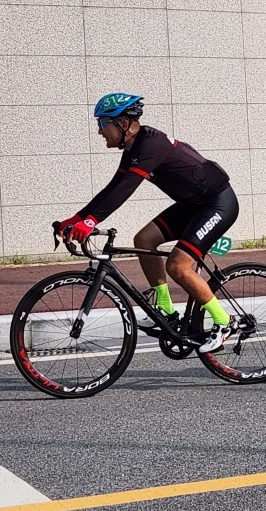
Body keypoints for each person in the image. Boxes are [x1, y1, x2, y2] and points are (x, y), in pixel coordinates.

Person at [57, 92, 239, 353]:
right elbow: (113, 188)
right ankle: (166, 309)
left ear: (123, 124)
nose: (99, 131)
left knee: (178, 266)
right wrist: (76, 219)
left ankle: (223, 321)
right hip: (193, 206)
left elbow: (126, 189)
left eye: (102, 124)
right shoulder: (134, 148)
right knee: (144, 239)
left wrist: (90, 221)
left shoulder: (150, 145)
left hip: (217, 204)